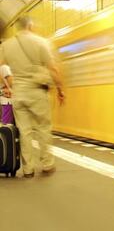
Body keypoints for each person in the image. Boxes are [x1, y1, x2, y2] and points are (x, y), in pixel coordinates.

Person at [0, 15, 65, 178]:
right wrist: (60, 89)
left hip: (18, 92)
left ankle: (28, 169)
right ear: (30, 25)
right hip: (37, 91)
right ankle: (47, 165)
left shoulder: (7, 45)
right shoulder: (41, 42)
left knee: (24, 131)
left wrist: (8, 87)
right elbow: (53, 69)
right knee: (43, 128)